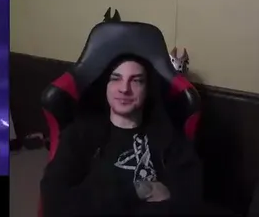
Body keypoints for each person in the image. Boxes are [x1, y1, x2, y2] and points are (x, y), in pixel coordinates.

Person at [41, 55, 206, 216]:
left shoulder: (169, 136)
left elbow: (190, 203)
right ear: (105, 85)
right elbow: (54, 202)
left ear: (148, 89)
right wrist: (138, 190)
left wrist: (100, 202)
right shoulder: (79, 135)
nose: (124, 89)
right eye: (116, 78)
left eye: (136, 81)